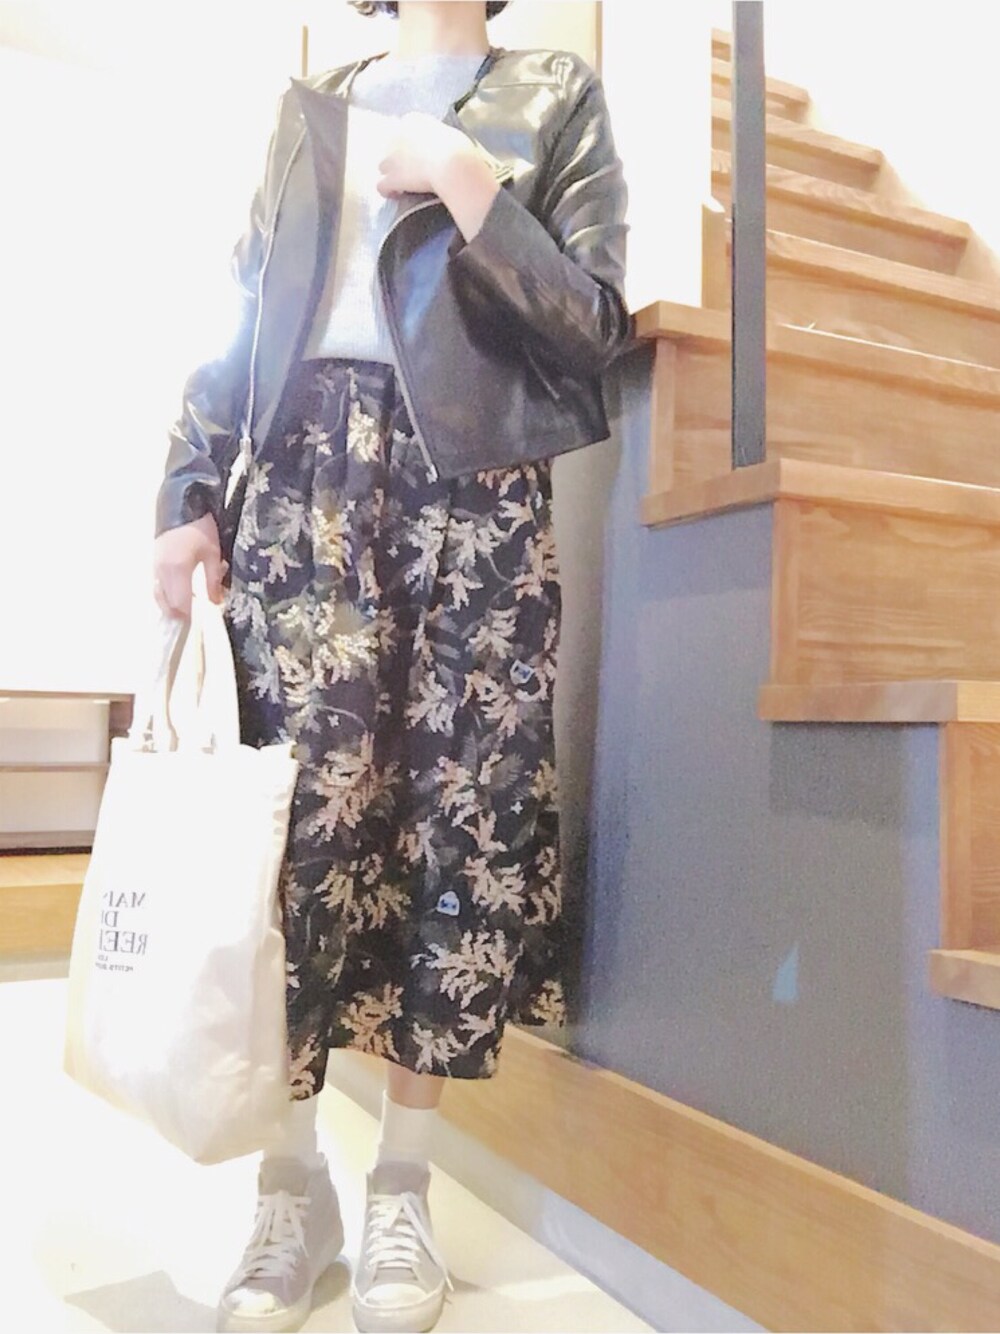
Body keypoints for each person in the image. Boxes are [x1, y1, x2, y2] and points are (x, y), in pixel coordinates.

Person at [151, 1, 629, 1329]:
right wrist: (186, 490)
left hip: (474, 496)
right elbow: (245, 307)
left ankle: (403, 1187)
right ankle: (291, 1185)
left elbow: (592, 327)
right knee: (291, 837)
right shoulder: (314, 109)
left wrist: (473, 186)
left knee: (454, 827)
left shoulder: (554, 92)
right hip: (299, 485)